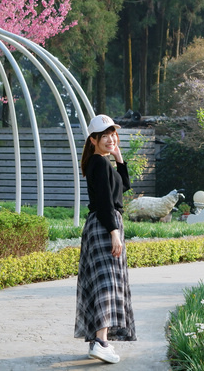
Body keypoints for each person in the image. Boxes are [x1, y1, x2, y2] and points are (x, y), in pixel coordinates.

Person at [74, 114, 136, 364]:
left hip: (103, 225)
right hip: (104, 226)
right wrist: (114, 233)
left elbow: (124, 188)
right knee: (107, 284)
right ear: (93, 140)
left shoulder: (101, 163)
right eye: (105, 136)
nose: (111, 139)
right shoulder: (99, 164)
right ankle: (101, 341)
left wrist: (120, 160)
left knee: (102, 282)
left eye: (113, 135)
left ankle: (97, 339)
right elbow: (104, 203)